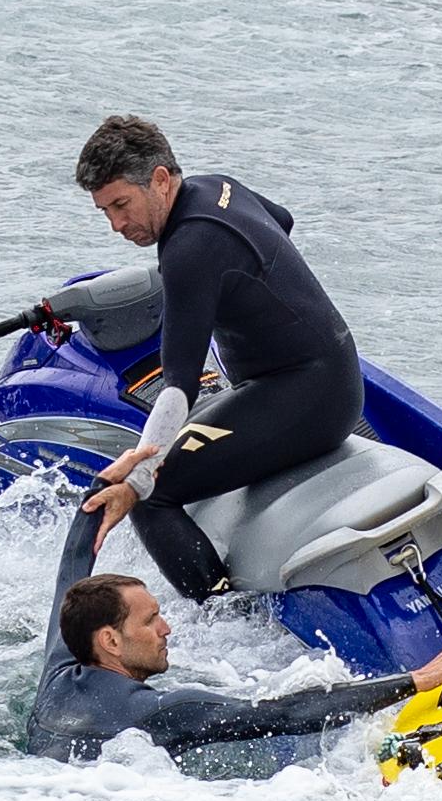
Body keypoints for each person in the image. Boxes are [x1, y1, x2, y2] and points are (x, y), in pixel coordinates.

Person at [71, 113, 363, 604]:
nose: (118, 225)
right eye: (105, 212)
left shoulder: (188, 249)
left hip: (306, 399)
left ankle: (223, 614)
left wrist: (138, 477)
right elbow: (282, 218)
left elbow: (179, 383)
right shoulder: (215, 187)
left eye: (122, 205)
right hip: (328, 373)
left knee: (151, 493)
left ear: (160, 180)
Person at [24, 503, 442, 764]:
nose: (166, 627)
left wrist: (101, 496)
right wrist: (418, 679)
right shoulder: (158, 711)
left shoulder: (59, 674)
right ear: (109, 641)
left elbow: (70, 576)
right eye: (149, 621)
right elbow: (284, 712)